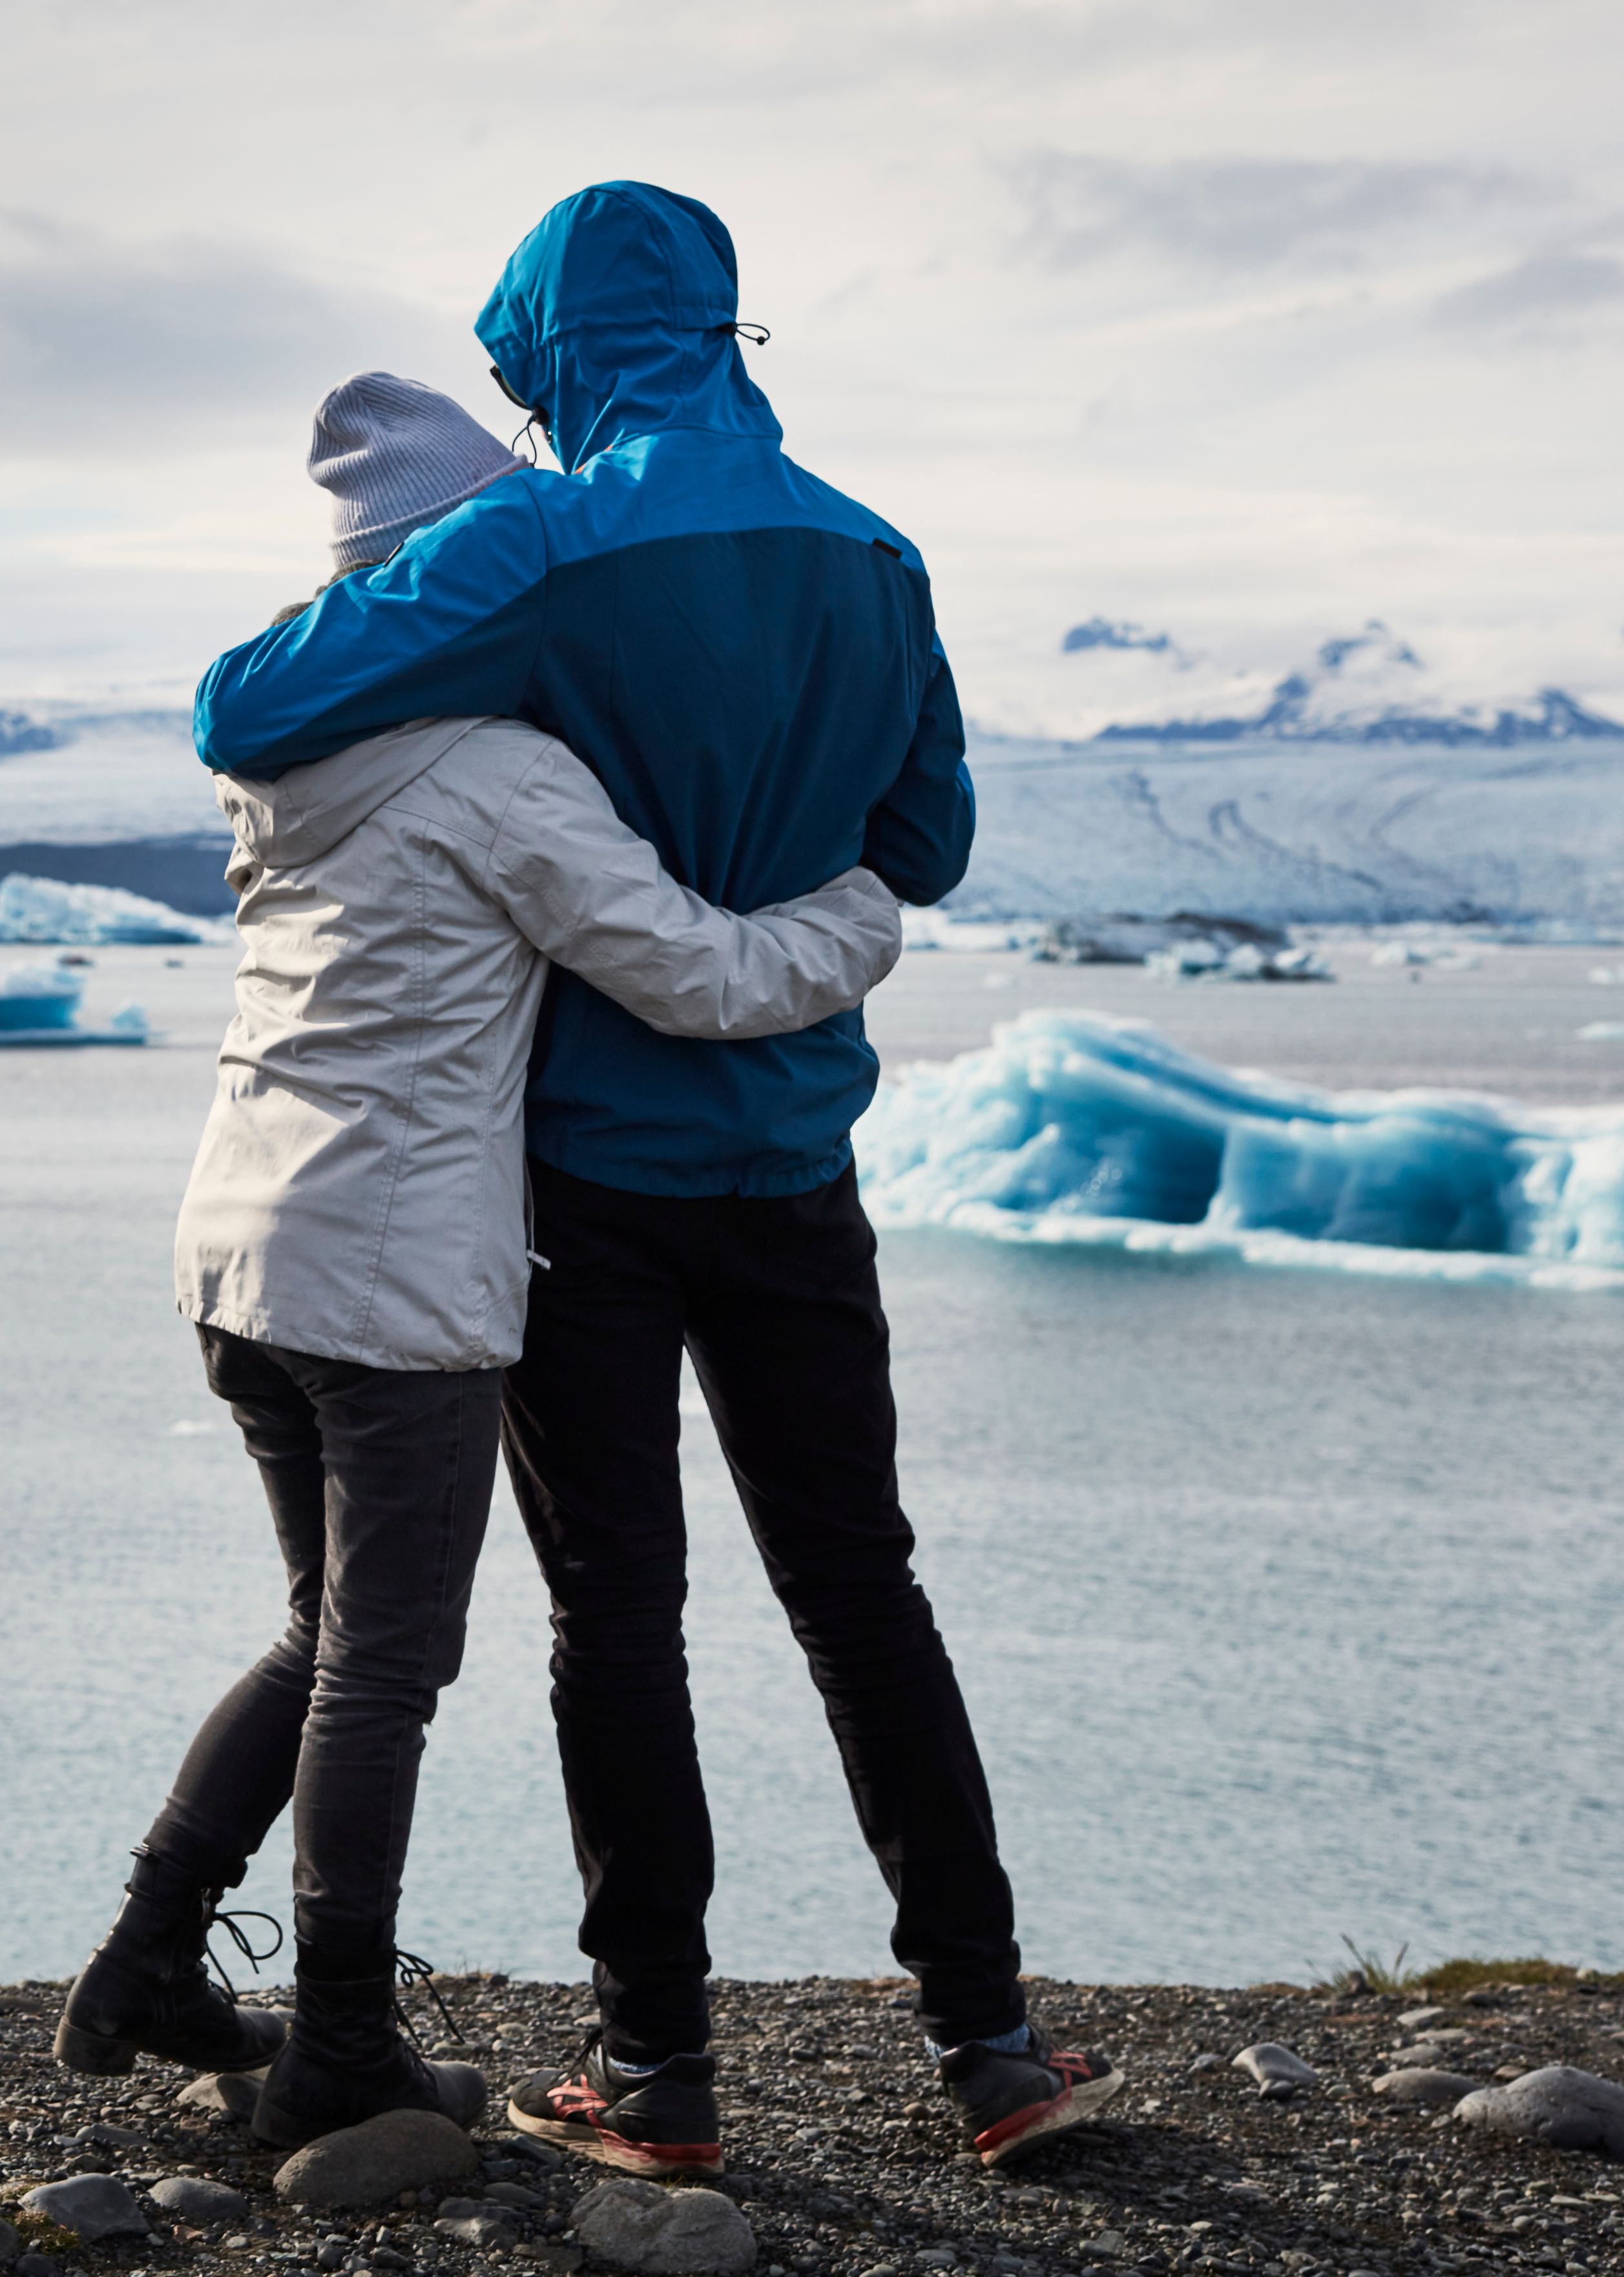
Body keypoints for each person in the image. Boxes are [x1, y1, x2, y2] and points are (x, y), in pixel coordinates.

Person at [191, 183, 1115, 2173]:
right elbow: (928, 839)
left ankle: (661, 2077)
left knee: (617, 1612)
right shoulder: (875, 551)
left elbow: (240, 712)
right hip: (792, 1149)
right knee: (865, 1589)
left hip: (584, 1172)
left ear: (549, 346)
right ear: (719, 326)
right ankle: (996, 2046)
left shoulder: (538, 533)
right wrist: (804, 864)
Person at [56, 369, 908, 2151]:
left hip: (239, 1245)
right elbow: (702, 977)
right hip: (392, 1278)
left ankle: (146, 1958)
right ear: (463, 572)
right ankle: (341, 2047)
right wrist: (860, 908)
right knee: (386, 1662)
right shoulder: (504, 775)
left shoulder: (289, 758)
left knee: (318, 1630)